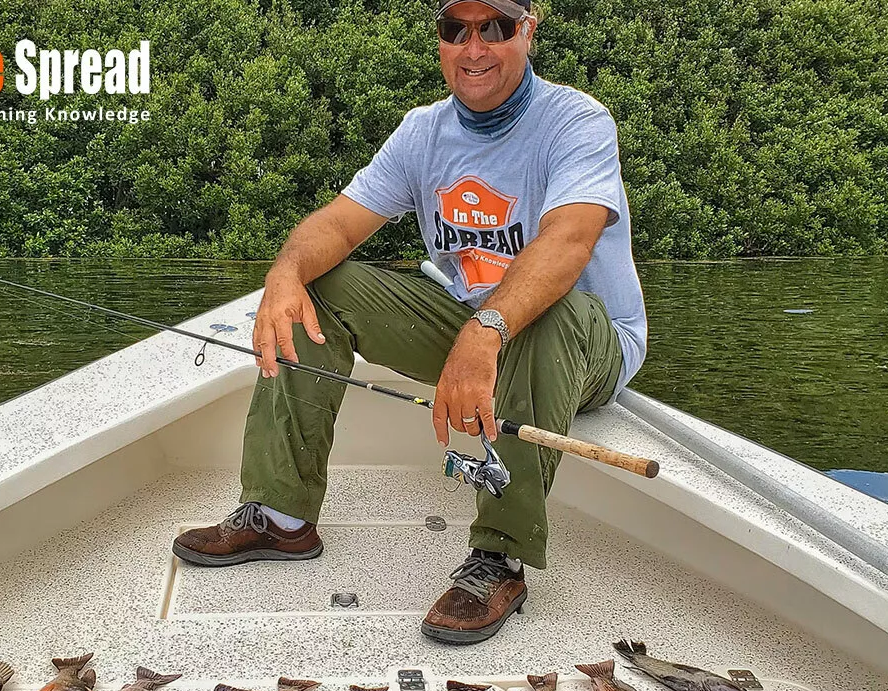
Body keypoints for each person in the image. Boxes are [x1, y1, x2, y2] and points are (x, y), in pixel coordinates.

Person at [173, 0, 647, 644]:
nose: (474, 47)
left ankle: (499, 558)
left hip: (584, 341)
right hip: (472, 324)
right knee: (320, 283)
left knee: (545, 315)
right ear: (441, 40)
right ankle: (280, 517)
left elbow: (567, 243)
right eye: (456, 29)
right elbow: (339, 225)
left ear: (528, 30)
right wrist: (283, 275)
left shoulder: (576, 121)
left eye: (495, 27)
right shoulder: (422, 131)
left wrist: (487, 330)